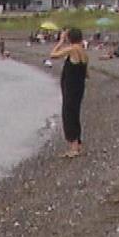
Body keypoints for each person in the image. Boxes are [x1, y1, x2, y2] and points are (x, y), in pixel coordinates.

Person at [50, 27, 88, 157]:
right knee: (74, 114)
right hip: (79, 87)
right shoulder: (83, 52)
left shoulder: (73, 49)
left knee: (68, 115)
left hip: (71, 88)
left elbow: (53, 54)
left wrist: (61, 41)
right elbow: (86, 73)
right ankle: (77, 144)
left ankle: (73, 148)